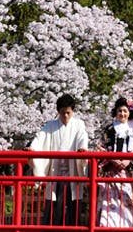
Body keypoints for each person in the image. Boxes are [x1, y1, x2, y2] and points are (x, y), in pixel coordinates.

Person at [26, 94, 89, 226]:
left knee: (73, 208)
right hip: (55, 172)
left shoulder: (79, 124)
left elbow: (82, 137)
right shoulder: (50, 125)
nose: (65, 115)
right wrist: (33, 148)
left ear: (72, 111)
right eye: (62, 112)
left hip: (72, 172)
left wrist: (82, 148)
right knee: (54, 208)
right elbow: (40, 138)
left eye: (68, 112)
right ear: (58, 111)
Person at [97, 97, 133, 227]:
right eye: (120, 110)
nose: (122, 114)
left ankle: (128, 226)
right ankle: (108, 226)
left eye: (125, 111)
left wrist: (128, 160)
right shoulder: (109, 129)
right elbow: (102, 147)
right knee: (110, 200)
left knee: (129, 201)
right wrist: (112, 158)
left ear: (130, 112)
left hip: (129, 173)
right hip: (112, 171)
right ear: (116, 111)